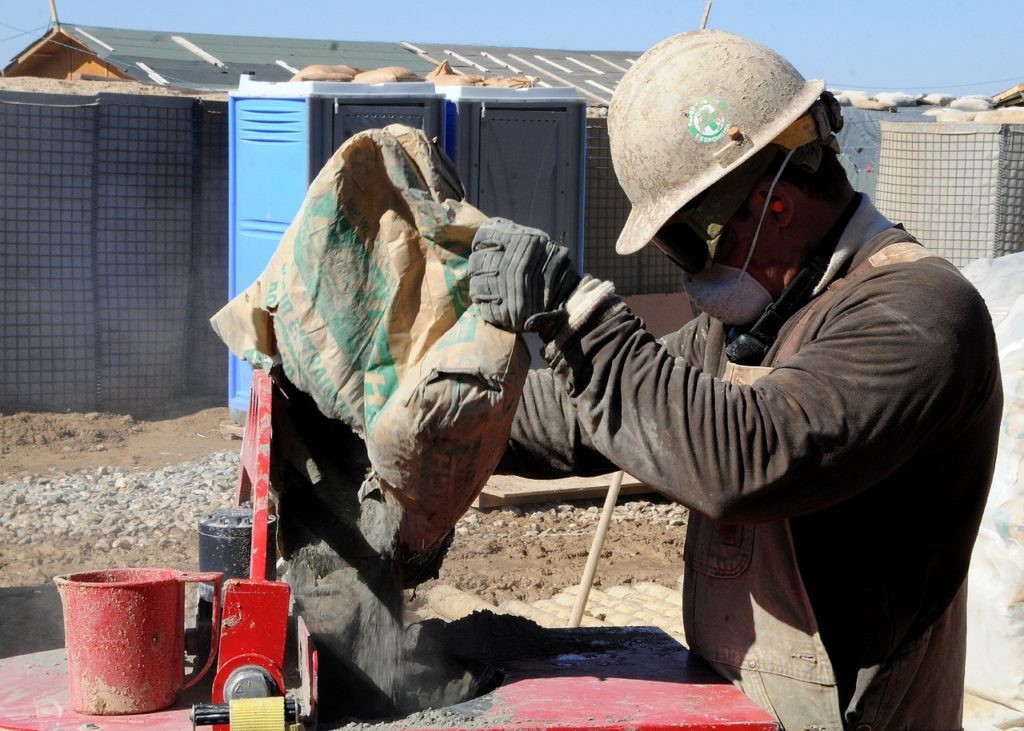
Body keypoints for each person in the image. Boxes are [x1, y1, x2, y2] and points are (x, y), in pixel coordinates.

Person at [467, 29, 1003, 731]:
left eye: (686, 242)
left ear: (775, 205)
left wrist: (576, 317)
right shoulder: (762, 322)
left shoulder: (920, 315)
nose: (689, 273)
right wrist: (426, 407)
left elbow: (747, 455)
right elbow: (581, 414)